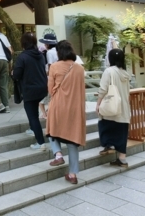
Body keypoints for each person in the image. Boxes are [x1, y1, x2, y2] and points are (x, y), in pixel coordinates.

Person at [46, 40, 86, 184]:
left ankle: (57, 154)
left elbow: (50, 90)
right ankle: (73, 175)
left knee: (51, 129)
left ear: (59, 52)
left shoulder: (55, 67)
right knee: (72, 140)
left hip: (58, 104)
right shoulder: (80, 69)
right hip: (74, 107)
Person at [96, 48, 131, 167]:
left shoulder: (109, 71)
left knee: (104, 125)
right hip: (123, 107)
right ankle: (122, 159)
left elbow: (103, 89)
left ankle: (108, 145)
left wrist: (98, 103)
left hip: (111, 106)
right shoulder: (126, 73)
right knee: (121, 131)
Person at [12, 33, 48, 150]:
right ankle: (33, 129)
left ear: (24, 43)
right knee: (35, 113)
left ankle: (40, 142)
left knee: (33, 116)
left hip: (29, 89)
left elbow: (16, 74)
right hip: (42, 87)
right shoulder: (41, 55)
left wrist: (12, 73)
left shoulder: (23, 57)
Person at [37, 33, 58, 120]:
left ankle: (45, 114)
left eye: (45, 44)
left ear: (48, 44)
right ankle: (49, 112)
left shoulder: (50, 52)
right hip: (59, 77)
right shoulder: (58, 51)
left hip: (51, 77)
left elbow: (50, 67)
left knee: (45, 97)